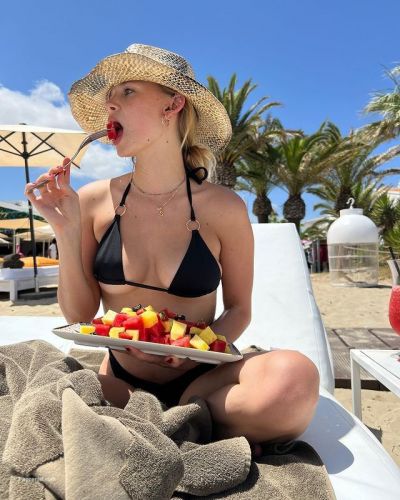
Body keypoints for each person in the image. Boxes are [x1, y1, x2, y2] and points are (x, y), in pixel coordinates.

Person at [25, 44, 319, 449]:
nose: (111, 104)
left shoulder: (224, 208)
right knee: (46, 392)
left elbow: (239, 309)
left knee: (294, 379)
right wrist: (65, 229)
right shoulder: (92, 201)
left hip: (204, 377)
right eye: (110, 97)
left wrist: (193, 350)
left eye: (127, 92)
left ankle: (174, 415)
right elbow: (79, 316)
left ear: (173, 104)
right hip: (121, 381)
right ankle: (186, 423)